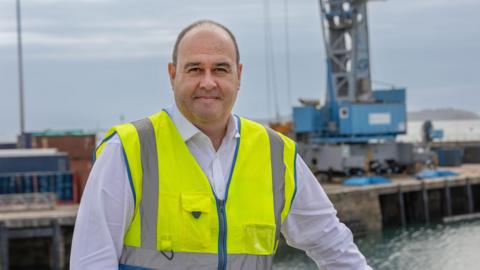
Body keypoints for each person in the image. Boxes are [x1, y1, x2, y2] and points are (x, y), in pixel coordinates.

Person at [70, 20, 372, 270]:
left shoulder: (276, 154)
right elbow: (91, 262)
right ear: (172, 75)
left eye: (220, 69)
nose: (208, 82)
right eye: (194, 69)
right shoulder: (128, 151)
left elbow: (334, 247)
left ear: (239, 76)